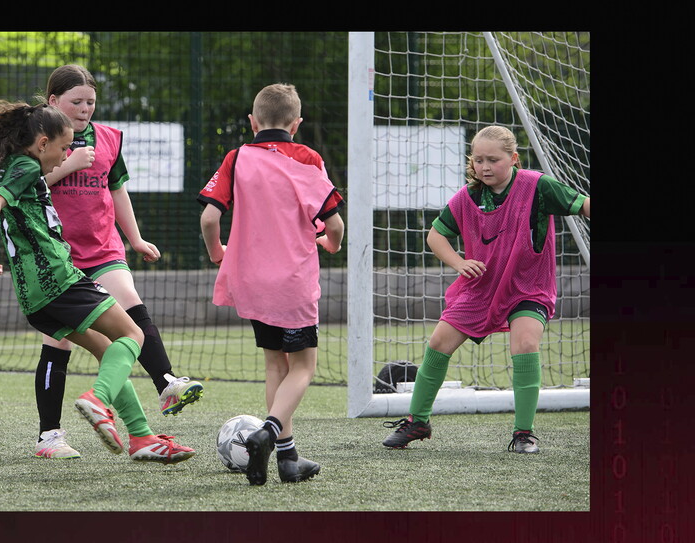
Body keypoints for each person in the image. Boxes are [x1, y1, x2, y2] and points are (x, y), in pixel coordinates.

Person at [0, 99, 195, 465]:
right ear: (42, 143)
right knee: (133, 336)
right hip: (58, 277)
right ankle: (99, 398)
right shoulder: (25, 166)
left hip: (33, 295)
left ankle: (141, 437)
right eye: (64, 148)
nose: (66, 157)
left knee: (103, 348)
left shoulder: (13, 166)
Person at [380, 125, 591, 454]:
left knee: (525, 343)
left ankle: (524, 433)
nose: (485, 167)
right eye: (478, 160)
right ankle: (417, 421)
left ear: (513, 159)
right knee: (438, 342)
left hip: (527, 289)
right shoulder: (467, 197)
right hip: (479, 289)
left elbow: (583, 205)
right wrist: (458, 263)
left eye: (493, 159)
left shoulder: (537, 186)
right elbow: (436, 236)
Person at [198, 83, 345, 485]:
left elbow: (210, 219)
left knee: (273, 364)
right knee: (303, 367)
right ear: (296, 124)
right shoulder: (307, 158)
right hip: (291, 283)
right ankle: (267, 431)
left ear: (252, 121)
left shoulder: (237, 157)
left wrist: (217, 254)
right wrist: (330, 243)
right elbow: (334, 224)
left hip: (252, 282)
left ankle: (287, 459)